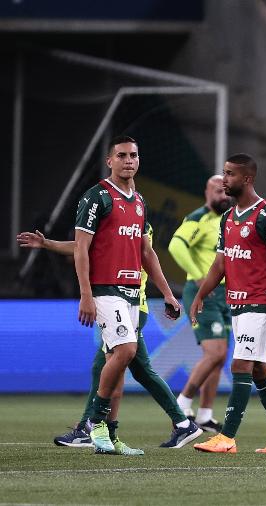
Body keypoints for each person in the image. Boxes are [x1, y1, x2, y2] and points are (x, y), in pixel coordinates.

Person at [18, 208, 202, 453]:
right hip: (126, 304)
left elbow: (139, 253)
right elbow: (84, 245)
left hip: (132, 305)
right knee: (138, 370)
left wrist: (168, 294)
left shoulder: (137, 225)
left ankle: (89, 426)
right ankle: (181, 423)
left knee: (106, 365)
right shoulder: (118, 225)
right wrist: (47, 244)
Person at [191, 153, 266, 453]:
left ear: (247, 179)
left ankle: (227, 437)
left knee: (241, 364)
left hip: (262, 304)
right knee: (258, 369)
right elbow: (220, 265)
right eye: (223, 173)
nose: (224, 179)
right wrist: (200, 295)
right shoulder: (228, 218)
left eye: (230, 174)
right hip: (238, 304)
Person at [73, 136, 184, 454]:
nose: (128, 160)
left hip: (134, 293)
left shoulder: (139, 203)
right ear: (110, 161)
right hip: (105, 290)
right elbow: (81, 248)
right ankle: (95, 422)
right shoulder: (97, 198)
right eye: (121, 155)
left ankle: (109, 436)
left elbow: (146, 252)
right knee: (126, 350)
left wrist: (167, 294)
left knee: (117, 359)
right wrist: (85, 294)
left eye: (133, 155)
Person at [169, 175, 234, 433]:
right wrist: (197, 275)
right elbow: (176, 246)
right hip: (203, 293)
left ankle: (205, 414)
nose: (222, 196)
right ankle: (182, 402)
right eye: (218, 191)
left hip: (226, 294)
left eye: (225, 192)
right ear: (207, 192)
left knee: (220, 358)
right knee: (214, 353)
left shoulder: (228, 219)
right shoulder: (198, 218)